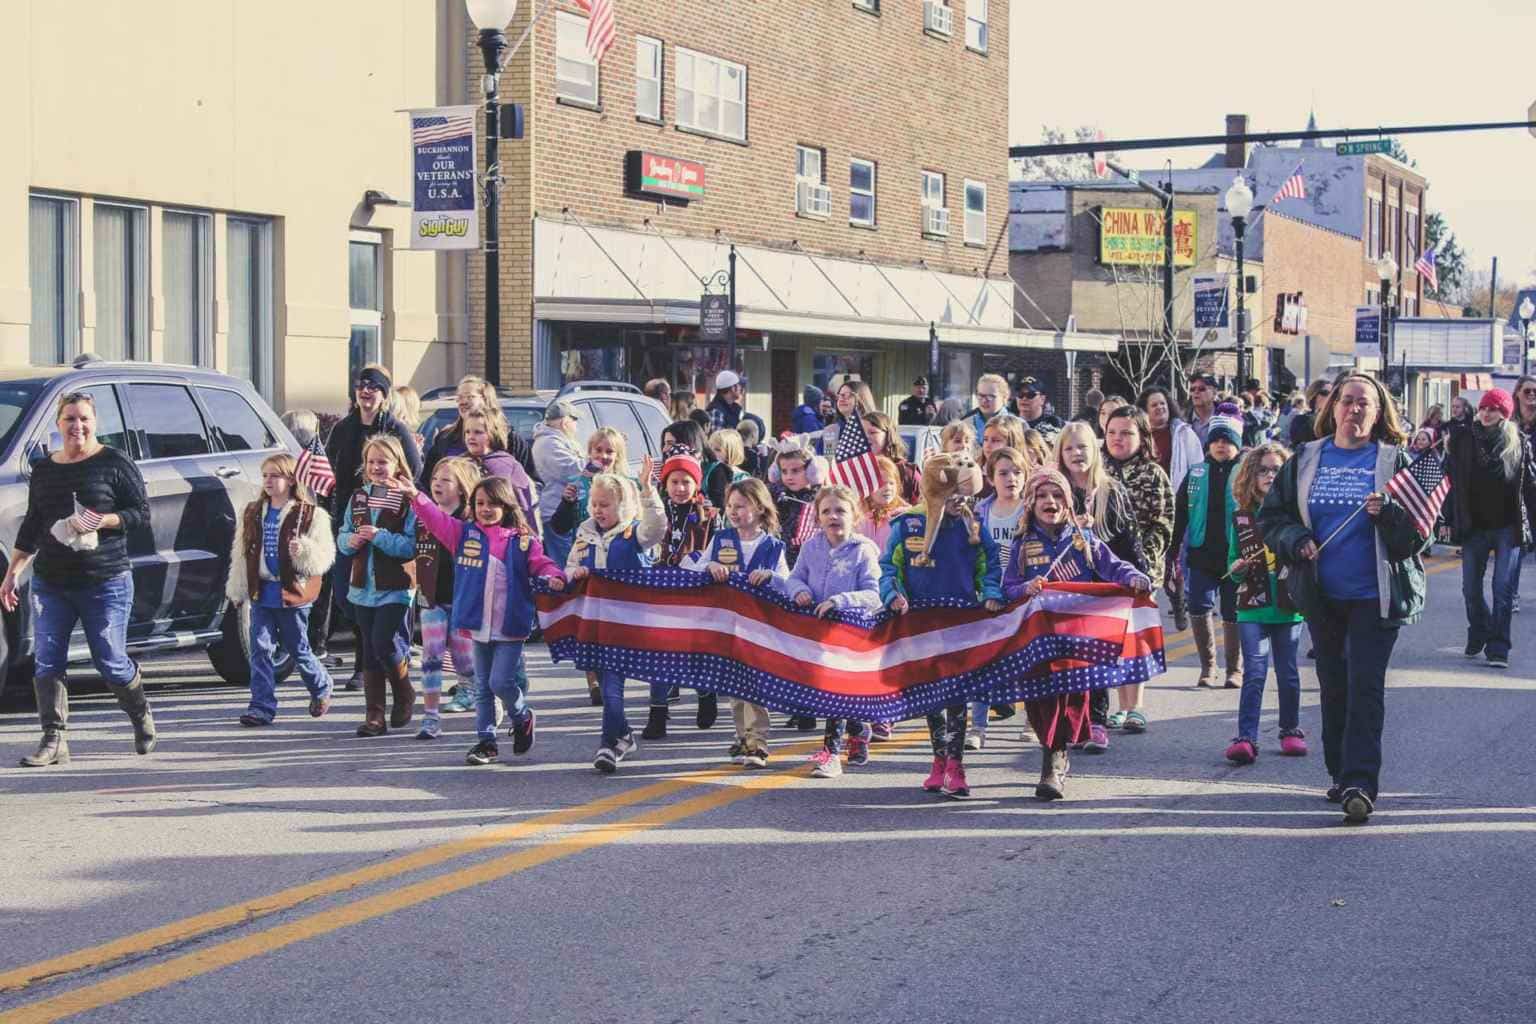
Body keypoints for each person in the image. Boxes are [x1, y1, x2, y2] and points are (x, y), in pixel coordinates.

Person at [1258, 372, 1429, 824]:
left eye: (1364, 404)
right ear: (1331, 407)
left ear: (1378, 414)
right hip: (1322, 595)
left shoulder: (1394, 462)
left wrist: (1388, 514)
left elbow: (1416, 537)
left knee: (1366, 687)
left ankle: (1360, 782)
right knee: (1335, 687)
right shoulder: (1306, 459)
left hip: (1377, 597)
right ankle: (1339, 771)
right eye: (1347, 401)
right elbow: (1270, 517)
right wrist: (1296, 540)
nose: (1354, 409)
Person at [3, 391, 154, 767]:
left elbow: (141, 513)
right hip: (52, 582)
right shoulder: (45, 469)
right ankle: (54, 740)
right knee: (47, 660)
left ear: (95, 422)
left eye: (84, 418)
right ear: (58, 424)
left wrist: (106, 520)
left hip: (105, 580)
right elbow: (34, 523)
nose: (77, 426)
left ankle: (140, 713)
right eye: (69, 418)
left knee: (110, 660)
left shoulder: (114, 463)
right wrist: (12, 573)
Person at [1003, 469, 1150, 800]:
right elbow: (1008, 588)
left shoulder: (1083, 541)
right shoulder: (1023, 545)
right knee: (1041, 703)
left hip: (1074, 641)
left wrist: (1135, 577)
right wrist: (1026, 587)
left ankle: (1056, 758)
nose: (1050, 502)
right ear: (1030, 503)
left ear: (1068, 503)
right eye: (1042, 496)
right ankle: (1052, 756)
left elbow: (1114, 566)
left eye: (1057, 496)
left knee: (1067, 702)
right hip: (1037, 643)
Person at [400, 472, 564, 766]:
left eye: (492, 503)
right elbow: (436, 520)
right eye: (479, 503)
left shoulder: (522, 541)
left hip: (509, 626)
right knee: (483, 687)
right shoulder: (463, 534)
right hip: (477, 624)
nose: (485, 509)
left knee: (500, 681)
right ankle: (486, 741)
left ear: (506, 506)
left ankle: (522, 715)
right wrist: (415, 495)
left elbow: (542, 564)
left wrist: (553, 576)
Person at [880, 477, 1004, 799]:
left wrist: (990, 592)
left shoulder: (972, 527)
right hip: (920, 621)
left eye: (965, 494)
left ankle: (956, 765)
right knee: (932, 697)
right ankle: (938, 760)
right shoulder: (906, 525)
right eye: (952, 494)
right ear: (934, 492)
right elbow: (889, 568)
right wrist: (893, 594)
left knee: (956, 695)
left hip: (959, 622)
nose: (959, 500)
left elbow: (989, 564)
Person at [327, 364, 423, 691]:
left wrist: (397, 499)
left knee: (386, 594)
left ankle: (378, 663)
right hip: (351, 518)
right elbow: (329, 476)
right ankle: (375, 654)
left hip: (389, 520)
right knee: (348, 595)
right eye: (361, 386)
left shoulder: (396, 430)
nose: (366, 392)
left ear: (384, 395)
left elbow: (415, 472)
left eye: (374, 387)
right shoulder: (343, 429)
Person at [568, 462, 667, 773]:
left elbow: (657, 528)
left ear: (622, 506)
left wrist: (648, 491)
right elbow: (570, 565)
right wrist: (574, 573)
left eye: (605, 505)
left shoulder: (632, 533)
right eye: (594, 504)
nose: (598, 510)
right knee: (601, 677)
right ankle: (623, 733)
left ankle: (608, 744)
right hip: (595, 622)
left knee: (612, 685)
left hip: (627, 623)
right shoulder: (584, 533)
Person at [225, 453, 337, 727]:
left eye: (275, 475)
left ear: (290, 479)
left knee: (297, 648)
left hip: (293, 592)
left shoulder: (311, 514)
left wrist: (305, 551)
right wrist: (237, 590)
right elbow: (241, 553)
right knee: (260, 648)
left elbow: (325, 556)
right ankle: (261, 706)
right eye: (265, 475)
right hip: (262, 591)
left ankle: (321, 685)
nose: (268, 481)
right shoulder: (252, 512)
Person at [1055, 420, 1145, 753]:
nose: (1076, 453)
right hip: (1064, 588)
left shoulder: (1111, 490)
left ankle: (1096, 721)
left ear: (1095, 451)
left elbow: (1129, 540)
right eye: (1069, 448)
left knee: (1096, 658)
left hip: (1103, 590)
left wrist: (1139, 577)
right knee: (1067, 661)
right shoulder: (1055, 490)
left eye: (1082, 447)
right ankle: (1068, 721)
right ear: (1060, 454)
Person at [784, 485, 884, 778]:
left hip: (852, 635)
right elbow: (794, 578)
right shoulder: (811, 546)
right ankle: (858, 728)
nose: (833, 516)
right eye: (826, 511)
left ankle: (830, 755)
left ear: (855, 515)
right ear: (817, 516)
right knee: (831, 694)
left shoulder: (863, 550)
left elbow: (874, 593)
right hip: (818, 633)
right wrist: (800, 590)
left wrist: (841, 601)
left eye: (840, 510)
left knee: (835, 692)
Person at [692, 478, 789, 768]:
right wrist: (710, 566)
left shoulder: (772, 546)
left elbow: (787, 580)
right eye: (730, 506)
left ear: (759, 508)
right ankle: (743, 737)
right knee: (734, 687)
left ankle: (758, 742)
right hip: (727, 623)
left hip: (758, 626)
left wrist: (770, 577)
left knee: (754, 686)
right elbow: (697, 568)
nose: (734, 511)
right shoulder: (721, 539)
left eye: (741, 506)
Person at [1223, 443, 1307, 764]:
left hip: (1288, 605)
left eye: (1277, 470)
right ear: (1251, 475)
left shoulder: (1295, 516)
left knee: (1287, 673)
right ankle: (1246, 736)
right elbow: (1232, 564)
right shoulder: (1243, 519)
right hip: (1252, 605)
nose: (1270, 475)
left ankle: (1290, 730)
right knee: (1255, 672)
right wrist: (1235, 569)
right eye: (1263, 470)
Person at [1445, 388, 1536, 669]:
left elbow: (1530, 487)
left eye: (1493, 409)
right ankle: (1480, 628)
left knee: (1503, 589)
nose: (1486, 413)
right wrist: (1447, 519)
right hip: (1475, 526)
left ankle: (1498, 646)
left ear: (1504, 414)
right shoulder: (1463, 439)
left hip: (1507, 527)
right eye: (1484, 408)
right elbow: (1450, 482)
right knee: (1471, 589)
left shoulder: (1518, 442)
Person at [338, 436, 420, 737]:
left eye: (383, 462)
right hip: (362, 586)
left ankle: (404, 691)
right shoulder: (358, 496)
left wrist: (379, 536)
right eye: (371, 461)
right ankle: (375, 715)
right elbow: (343, 533)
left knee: (384, 641)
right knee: (369, 649)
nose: (376, 467)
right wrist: (350, 541)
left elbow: (411, 546)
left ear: (398, 464)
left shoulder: (406, 500)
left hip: (396, 587)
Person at [1101, 406, 1173, 729]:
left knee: (1136, 638)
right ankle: (1118, 704)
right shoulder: (1098, 469)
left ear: (1141, 437)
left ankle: (1136, 705)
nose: (1118, 439)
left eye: (1127, 433)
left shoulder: (1153, 473)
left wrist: (1144, 565)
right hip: (1104, 568)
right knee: (1111, 640)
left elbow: (1162, 524)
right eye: (1113, 432)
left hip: (1141, 569)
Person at [643, 448, 719, 737]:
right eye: (674, 481)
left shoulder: (708, 516)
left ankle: (705, 694)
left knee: (696, 652)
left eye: (686, 482)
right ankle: (658, 713)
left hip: (697, 592)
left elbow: (719, 553)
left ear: (696, 484)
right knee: (660, 654)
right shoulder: (657, 512)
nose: (680, 488)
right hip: (661, 591)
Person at [1171, 402, 1246, 689]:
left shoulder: (1245, 471)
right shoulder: (1196, 473)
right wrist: (1173, 550)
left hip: (1234, 554)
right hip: (1201, 553)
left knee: (1232, 610)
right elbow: (1180, 514)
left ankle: (1234, 669)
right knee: (1199, 606)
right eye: (1215, 440)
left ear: (1237, 444)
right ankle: (1208, 666)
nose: (1221, 445)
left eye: (1227, 441)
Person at [413, 457, 484, 732]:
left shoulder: (469, 521)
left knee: (464, 660)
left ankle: (473, 686)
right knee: (431, 654)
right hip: (431, 597)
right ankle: (430, 717)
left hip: (462, 600)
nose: (437, 484)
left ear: (462, 487)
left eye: (445, 480)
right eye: (434, 479)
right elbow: (408, 545)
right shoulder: (423, 514)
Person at [966, 446, 1027, 751]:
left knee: (1028, 660)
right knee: (983, 661)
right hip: (989, 595)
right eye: (1003, 473)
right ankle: (977, 726)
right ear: (990, 477)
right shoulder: (981, 511)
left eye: (1017, 472)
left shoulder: (1029, 509)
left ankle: (1032, 721)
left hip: (1022, 594)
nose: (1011, 478)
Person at [420, 375, 528, 487]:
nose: (463, 402)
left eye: (469, 397)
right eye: (460, 398)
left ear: (485, 399)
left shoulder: (510, 439)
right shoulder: (446, 437)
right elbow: (427, 481)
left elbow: (532, 483)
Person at [532, 400, 585, 568]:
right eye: (575, 421)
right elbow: (572, 470)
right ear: (565, 422)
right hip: (556, 513)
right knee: (564, 564)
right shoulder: (550, 443)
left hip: (562, 510)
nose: (577, 427)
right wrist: (596, 463)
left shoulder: (554, 440)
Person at [768, 437, 824, 573]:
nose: (789, 477)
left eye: (795, 471)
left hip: (808, 563)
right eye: (784, 471)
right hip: (778, 561)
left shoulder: (819, 499)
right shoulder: (774, 496)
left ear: (812, 471)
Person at [862, 411, 919, 503]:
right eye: (860, 433)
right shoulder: (854, 470)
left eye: (872, 432)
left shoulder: (907, 472)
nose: (865, 437)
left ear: (888, 435)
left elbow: (924, 507)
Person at [707, 370, 767, 442]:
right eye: (740, 386)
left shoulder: (734, 409)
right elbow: (718, 443)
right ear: (733, 388)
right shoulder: (716, 411)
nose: (741, 389)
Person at [822, 378, 876, 456]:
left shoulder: (875, 429)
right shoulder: (831, 431)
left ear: (862, 397)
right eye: (839, 395)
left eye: (848, 395)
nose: (842, 399)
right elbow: (825, 460)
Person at [705, 428, 751, 511]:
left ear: (731, 453)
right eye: (710, 448)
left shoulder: (741, 477)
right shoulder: (707, 470)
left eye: (717, 450)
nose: (711, 452)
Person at [1016, 377, 1065, 449]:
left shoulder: (1054, 424)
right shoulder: (1010, 424)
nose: (1024, 398)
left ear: (1042, 399)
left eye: (1030, 395)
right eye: (1020, 394)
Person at [965, 373, 1011, 441]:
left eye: (990, 396)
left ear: (1004, 397)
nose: (984, 400)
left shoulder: (1018, 425)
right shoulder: (965, 424)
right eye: (981, 395)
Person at [1288, 379, 1331, 447]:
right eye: (1325, 393)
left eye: (1332, 393)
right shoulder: (1300, 420)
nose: (1330, 397)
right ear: (1314, 394)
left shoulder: (1335, 420)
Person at [1186, 372, 1220, 444]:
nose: (1196, 392)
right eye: (1192, 389)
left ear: (1214, 393)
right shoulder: (1182, 420)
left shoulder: (1226, 418)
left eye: (1202, 389)